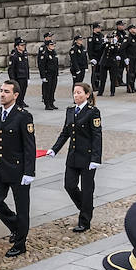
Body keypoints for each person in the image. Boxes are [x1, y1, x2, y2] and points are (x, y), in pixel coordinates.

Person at [0, 79, 36, 257]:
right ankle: (16, 226)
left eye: (6, 92)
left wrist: (29, 172)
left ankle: (20, 244)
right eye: (1, 91)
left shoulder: (23, 116)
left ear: (15, 95)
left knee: (22, 208)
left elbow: (29, 146)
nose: (2, 94)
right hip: (0, 166)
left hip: (18, 169)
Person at [46, 82, 101, 232]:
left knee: (87, 189)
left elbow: (97, 136)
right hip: (73, 156)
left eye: (79, 93)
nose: (76, 95)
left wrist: (96, 158)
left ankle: (84, 221)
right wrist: (54, 149)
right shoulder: (70, 110)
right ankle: (86, 208)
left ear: (87, 95)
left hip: (87, 157)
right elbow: (65, 132)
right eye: (74, 93)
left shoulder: (93, 112)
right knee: (69, 185)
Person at [38, 34, 60, 109]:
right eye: (51, 45)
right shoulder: (44, 54)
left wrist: (57, 73)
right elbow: (41, 65)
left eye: (54, 44)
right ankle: (47, 104)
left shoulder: (54, 53)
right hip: (47, 74)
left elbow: (56, 64)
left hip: (54, 74)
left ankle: (51, 102)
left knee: (52, 89)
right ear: (47, 46)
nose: (53, 46)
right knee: (47, 89)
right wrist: (43, 76)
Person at [8, 37, 30, 108]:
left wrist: (28, 77)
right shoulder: (14, 56)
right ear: (17, 46)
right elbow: (11, 69)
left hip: (24, 76)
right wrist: (13, 80)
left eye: (24, 45)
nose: (23, 46)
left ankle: (21, 103)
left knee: (23, 91)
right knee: (18, 93)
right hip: (18, 77)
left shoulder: (24, 54)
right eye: (21, 45)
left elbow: (26, 67)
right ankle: (17, 105)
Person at [86, 22, 107, 95]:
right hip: (95, 57)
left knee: (100, 72)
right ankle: (95, 86)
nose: (100, 29)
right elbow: (90, 49)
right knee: (95, 72)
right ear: (94, 29)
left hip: (101, 57)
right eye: (98, 28)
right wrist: (91, 58)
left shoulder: (101, 35)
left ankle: (99, 85)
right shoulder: (91, 37)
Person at [123, 22, 136, 92]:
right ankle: (129, 87)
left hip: (135, 57)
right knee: (130, 73)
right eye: (133, 28)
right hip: (130, 58)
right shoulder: (128, 38)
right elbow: (122, 49)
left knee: (134, 72)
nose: (135, 29)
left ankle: (133, 86)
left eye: (135, 28)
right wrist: (125, 58)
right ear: (130, 30)